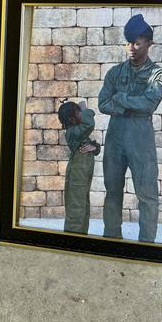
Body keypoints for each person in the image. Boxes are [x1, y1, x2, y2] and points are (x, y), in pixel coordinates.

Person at [98, 14, 162, 242]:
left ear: (149, 43)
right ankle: (111, 240)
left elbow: (150, 103)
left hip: (141, 141)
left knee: (147, 195)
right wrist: (129, 107)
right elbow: (102, 103)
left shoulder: (157, 74)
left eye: (137, 43)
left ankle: (146, 245)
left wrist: (121, 98)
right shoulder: (115, 73)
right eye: (128, 42)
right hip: (115, 140)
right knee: (112, 193)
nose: (131, 48)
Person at [57, 100, 101, 234]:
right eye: (79, 114)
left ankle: (81, 238)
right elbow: (89, 123)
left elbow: (92, 147)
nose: (82, 115)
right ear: (72, 118)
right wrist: (85, 109)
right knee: (76, 209)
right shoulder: (72, 132)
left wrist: (94, 147)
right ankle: (72, 243)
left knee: (83, 208)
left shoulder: (79, 132)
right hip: (77, 174)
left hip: (82, 175)